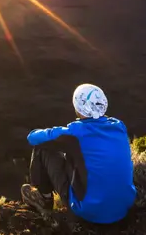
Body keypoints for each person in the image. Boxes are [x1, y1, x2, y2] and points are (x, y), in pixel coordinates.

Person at [20, 83, 136, 224]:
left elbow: (32, 138)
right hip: (122, 208)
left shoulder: (76, 132)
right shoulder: (119, 126)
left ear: (78, 107)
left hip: (88, 211)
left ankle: (44, 199)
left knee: (42, 148)